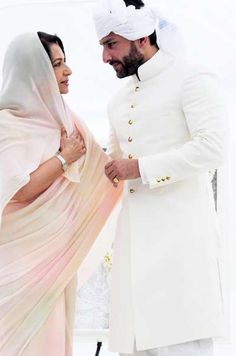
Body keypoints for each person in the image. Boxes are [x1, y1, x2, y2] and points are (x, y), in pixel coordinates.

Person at [93, 0, 228, 355]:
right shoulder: (117, 101)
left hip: (179, 249)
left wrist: (139, 168)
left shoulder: (191, 77)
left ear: (140, 37)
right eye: (103, 46)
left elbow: (214, 148)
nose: (105, 57)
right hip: (133, 250)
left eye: (111, 44)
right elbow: (114, 164)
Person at [0, 32, 122, 356]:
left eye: (64, 62)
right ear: (33, 73)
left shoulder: (67, 122)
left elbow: (106, 171)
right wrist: (63, 158)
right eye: (57, 64)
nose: (68, 71)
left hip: (54, 263)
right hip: (20, 269)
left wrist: (140, 163)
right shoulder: (8, 124)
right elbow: (19, 189)